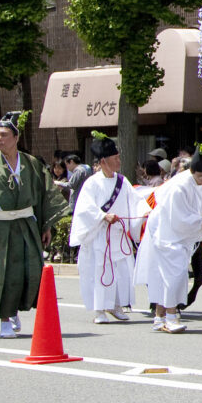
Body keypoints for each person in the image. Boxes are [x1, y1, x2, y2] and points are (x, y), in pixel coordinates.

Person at [0, 114, 66, 339]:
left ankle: (15, 309)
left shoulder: (32, 164)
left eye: (4, 135)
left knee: (29, 270)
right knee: (1, 274)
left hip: (26, 224)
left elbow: (45, 194)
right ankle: (5, 320)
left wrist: (45, 226)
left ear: (15, 138)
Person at [141, 146, 202, 333]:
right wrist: (201, 222)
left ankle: (159, 317)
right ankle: (171, 316)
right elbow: (178, 217)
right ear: (192, 172)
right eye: (201, 176)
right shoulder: (179, 186)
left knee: (165, 274)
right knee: (175, 274)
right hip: (167, 231)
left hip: (183, 234)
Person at [69, 136, 138, 323]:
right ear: (102, 161)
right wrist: (103, 216)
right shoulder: (92, 183)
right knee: (100, 271)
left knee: (121, 272)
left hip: (118, 234)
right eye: (115, 158)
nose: (118, 161)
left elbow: (135, 202)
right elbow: (84, 207)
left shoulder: (123, 182)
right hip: (100, 234)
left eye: (118, 157)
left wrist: (145, 213)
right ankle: (99, 309)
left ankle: (116, 305)